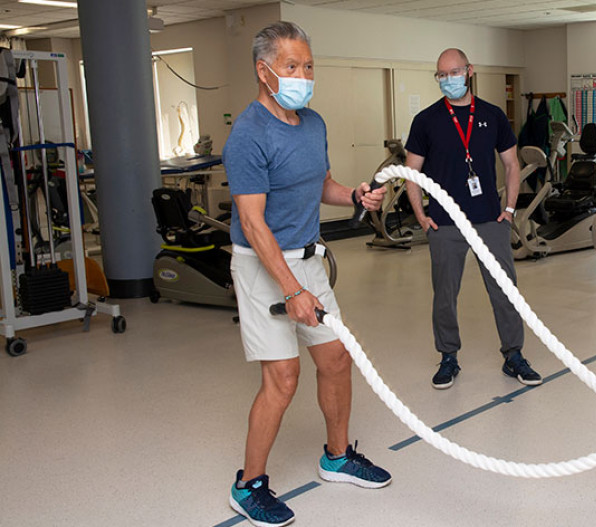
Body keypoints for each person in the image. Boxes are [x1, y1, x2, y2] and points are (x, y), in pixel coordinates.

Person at [222, 21, 391, 527]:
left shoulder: (313, 123)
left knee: (336, 359)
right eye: (292, 66)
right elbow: (253, 222)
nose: (303, 76)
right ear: (264, 71)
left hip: (307, 259)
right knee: (283, 377)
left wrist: (354, 195)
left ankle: (336, 458)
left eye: (308, 66)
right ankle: (248, 485)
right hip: (261, 265)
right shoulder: (248, 135)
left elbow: (320, 184)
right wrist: (291, 288)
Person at [404, 48, 542, 390]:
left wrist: (510, 209)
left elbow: (511, 164)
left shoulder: (493, 116)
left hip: (488, 219)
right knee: (445, 294)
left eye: (454, 72)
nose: (448, 79)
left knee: (505, 290)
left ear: (469, 71)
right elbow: (411, 173)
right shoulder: (426, 120)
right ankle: (448, 356)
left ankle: (514, 355)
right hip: (445, 222)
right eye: (441, 75)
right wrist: (421, 215)